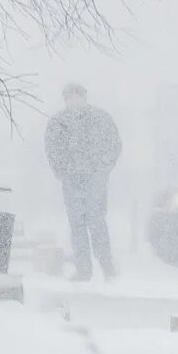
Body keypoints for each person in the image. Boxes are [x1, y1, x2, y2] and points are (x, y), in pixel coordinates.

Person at [44, 82, 122, 282]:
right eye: (69, 97)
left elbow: (114, 145)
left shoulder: (100, 119)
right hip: (71, 180)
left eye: (77, 96)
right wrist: (62, 171)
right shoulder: (58, 122)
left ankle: (107, 265)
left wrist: (102, 169)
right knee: (77, 224)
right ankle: (84, 269)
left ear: (84, 97)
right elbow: (52, 149)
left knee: (96, 221)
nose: (73, 100)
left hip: (95, 179)